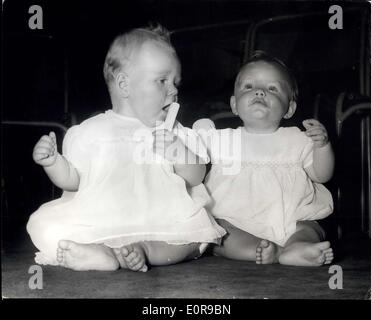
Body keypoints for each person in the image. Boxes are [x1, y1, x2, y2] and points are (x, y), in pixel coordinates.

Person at [27, 25, 225, 272]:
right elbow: (73, 181)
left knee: (196, 237)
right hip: (104, 220)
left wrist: (179, 152)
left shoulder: (174, 131)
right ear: (124, 85)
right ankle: (102, 253)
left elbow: (196, 176)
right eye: (162, 80)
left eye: (176, 82)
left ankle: (140, 250)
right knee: (44, 225)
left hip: (161, 222)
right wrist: (53, 162)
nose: (174, 90)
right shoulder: (92, 131)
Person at [193, 52, 334, 266]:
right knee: (216, 231)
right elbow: (191, 162)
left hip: (289, 218)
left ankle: (297, 246)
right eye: (248, 87)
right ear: (233, 104)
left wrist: (322, 146)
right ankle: (264, 251)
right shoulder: (222, 139)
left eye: (272, 88)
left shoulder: (298, 139)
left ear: (289, 108)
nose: (259, 91)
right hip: (235, 220)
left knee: (310, 226)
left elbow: (322, 175)